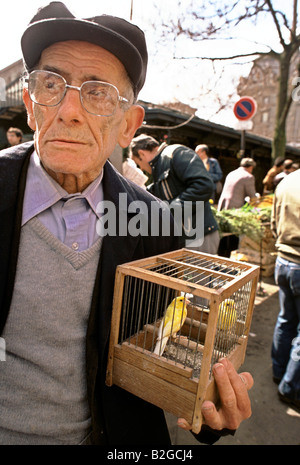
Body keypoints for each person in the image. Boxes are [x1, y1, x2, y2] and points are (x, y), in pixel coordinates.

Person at [0, 2, 253, 445]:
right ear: (29, 104)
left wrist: (209, 405)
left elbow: (161, 347)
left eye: (97, 92)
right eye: (52, 84)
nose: (69, 110)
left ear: (128, 126)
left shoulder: (155, 223)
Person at [129, 134, 220, 254]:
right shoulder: (158, 167)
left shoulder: (175, 153)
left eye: (138, 164)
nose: (142, 169)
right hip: (186, 239)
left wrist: (170, 210)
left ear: (141, 154)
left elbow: (203, 185)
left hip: (199, 236)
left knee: (201, 273)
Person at [271, 168, 300, 410]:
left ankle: (278, 371)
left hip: (284, 260)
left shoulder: (287, 181)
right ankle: (290, 388)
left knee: (286, 319)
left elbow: (273, 222)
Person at [217, 158, 258, 257]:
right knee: (233, 234)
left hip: (223, 205)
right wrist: (257, 204)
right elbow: (252, 196)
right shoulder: (248, 176)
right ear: (251, 167)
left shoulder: (232, 173)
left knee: (223, 232)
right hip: (235, 208)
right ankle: (229, 257)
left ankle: (220, 255)